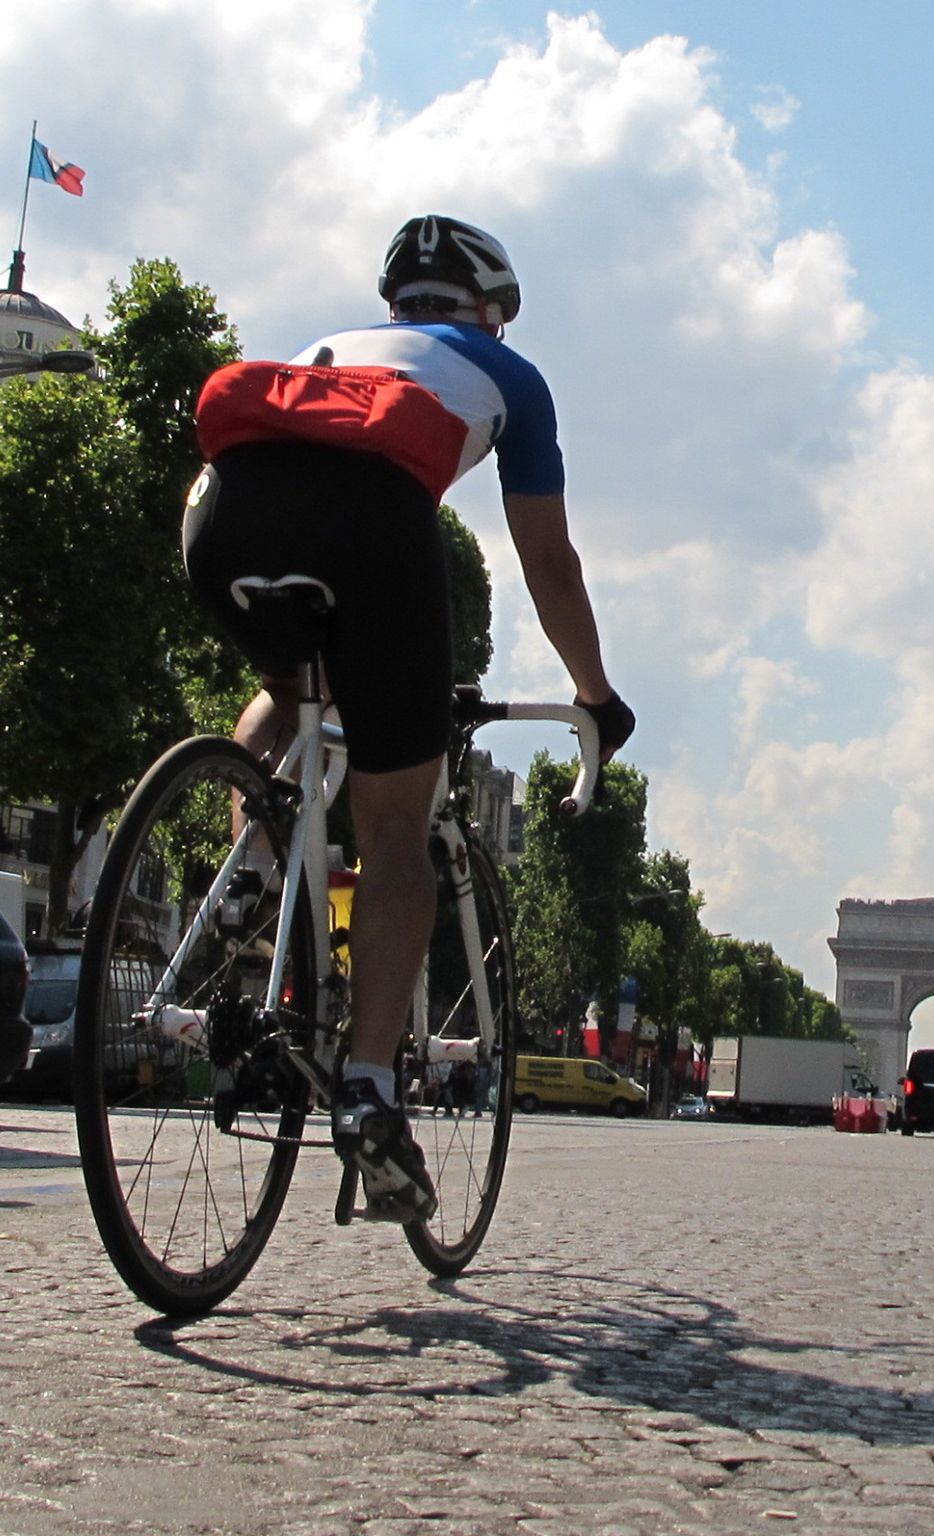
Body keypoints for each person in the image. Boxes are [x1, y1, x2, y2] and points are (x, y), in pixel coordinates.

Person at [183, 214, 634, 1222]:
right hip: (371, 527)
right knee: (395, 832)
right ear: (489, 312)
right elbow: (549, 564)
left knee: (299, 688)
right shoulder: (505, 374)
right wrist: (595, 693)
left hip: (219, 512)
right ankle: (369, 1092)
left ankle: (250, 873)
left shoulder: (325, 350)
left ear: (397, 306)